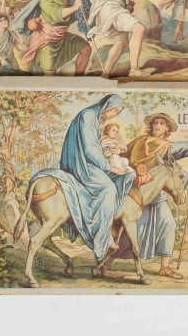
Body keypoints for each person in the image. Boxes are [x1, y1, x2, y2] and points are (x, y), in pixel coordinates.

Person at [29, 95, 136, 260]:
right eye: (114, 110)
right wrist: (109, 167)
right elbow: (90, 150)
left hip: (93, 162)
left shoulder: (95, 119)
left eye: (117, 112)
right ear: (106, 106)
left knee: (128, 174)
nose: (114, 114)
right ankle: (103, 240)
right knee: (108, 188)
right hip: (81, 165)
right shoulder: (88, 116)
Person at [110, 112, 188, 280]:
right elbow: (123, 158)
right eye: (155, 122)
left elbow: (172, 169)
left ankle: (165, 267)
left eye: (162, 123)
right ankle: (107, 263)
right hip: (138, 194)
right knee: (133, 231)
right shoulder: (143, 142)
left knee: (168, 223)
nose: (157, 125)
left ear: (167, 129)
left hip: (158, 196)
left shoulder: (163, 147)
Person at [17, 0, 93, 76]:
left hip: (61, 37)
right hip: (48, 40)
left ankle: (78, 78)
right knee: (49, 72)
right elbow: (58, 13)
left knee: (86, 49)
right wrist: (74, 8)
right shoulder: (45, 0)